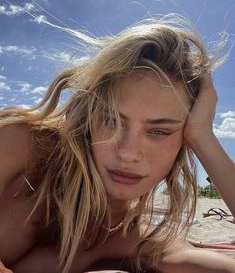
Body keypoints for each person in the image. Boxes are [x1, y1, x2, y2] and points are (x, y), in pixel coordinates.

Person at [0, 14, 235, 273]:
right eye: (111, 121)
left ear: (184, 138)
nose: (127, 153)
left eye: (159, 131)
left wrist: (204, 138)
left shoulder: (141, 243)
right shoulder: (19, 145)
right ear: (89, 116)